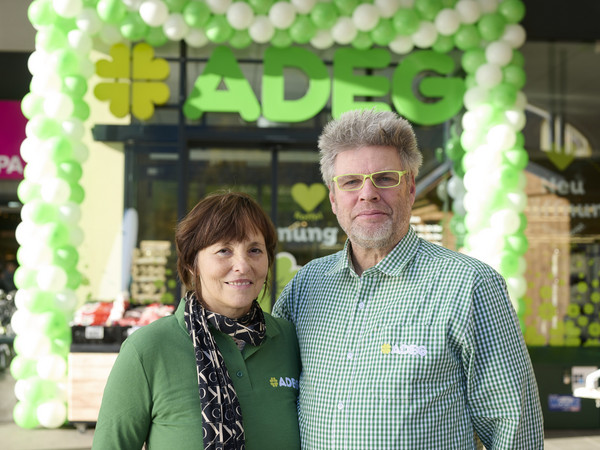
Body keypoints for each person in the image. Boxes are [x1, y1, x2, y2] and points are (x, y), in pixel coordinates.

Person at [273, 109, 544, 449]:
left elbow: (512, 427)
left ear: (411, 188)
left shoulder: (470, 285)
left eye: (385, 178)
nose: (368, 193)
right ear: (332, 197)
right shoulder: (306, 287)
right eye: (351, 181)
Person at [93, 192, 301, 450]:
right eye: (224, 250)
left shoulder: (290, 340)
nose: (243, 265)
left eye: (255, 250)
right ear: (193, 263)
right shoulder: (147, 350)